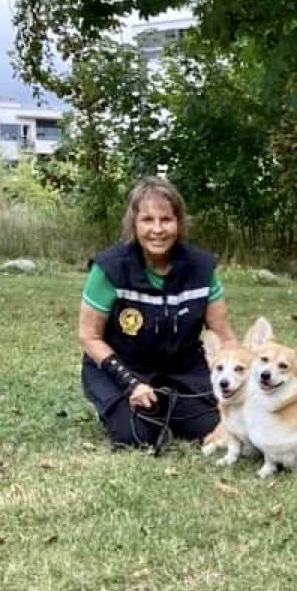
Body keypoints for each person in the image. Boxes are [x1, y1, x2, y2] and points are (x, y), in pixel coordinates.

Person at [78, 176, 239, 450]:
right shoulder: (109, 267)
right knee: (137, 438)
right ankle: (123, 407)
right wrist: (130, 383)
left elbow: (223, 334)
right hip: (122, 369)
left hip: (182, 371)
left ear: (179, 223)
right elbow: (88, 336)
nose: (157, 230)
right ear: (134, 223)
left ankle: (167, 406)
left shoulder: (202, 268)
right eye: (147, 220)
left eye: (166, 220)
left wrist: (241, 381)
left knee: (219, 429)